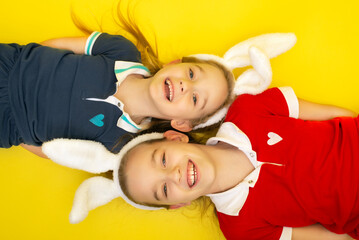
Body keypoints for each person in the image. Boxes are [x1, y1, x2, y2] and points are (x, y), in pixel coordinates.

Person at [43, 84, 358, 239]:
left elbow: (338, 116)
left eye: (163, 160)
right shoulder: (240, 228)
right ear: (177, 205)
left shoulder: (248, 111)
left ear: (176, 138)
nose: (175, 175)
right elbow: (330, 237)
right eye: (164, 190)